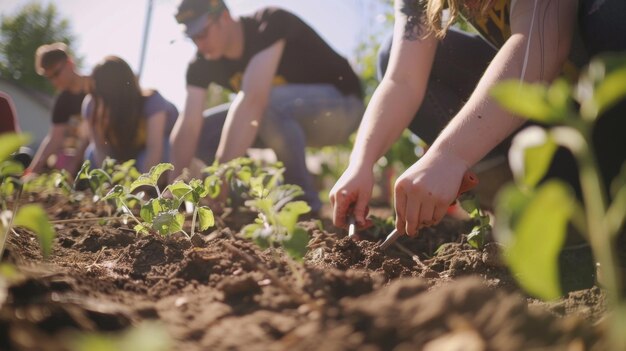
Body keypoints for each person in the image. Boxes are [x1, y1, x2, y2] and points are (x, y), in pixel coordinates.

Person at [330, 0, 626, 238]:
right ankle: (532, 210)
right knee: (395, 55)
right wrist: (361, 164)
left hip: (604, 120)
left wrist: (449, 155)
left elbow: (541, 44)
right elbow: (403, 81)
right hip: (553, 136)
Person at [171, 0, 364, 212]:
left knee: (265, 99)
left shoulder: (270, 23)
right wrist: (173, 193)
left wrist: (221, 172)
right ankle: (246, 199)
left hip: (342, 109)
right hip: (278, 118)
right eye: (191, 38)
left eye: (202, 33)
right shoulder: (201, 63)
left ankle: (301, 203)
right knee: (205, 131)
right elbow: (189, 125)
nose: (199, 44)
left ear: (224, 17)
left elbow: (254, 99)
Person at [82, 56, 178, 173]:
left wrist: (140, 187)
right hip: (127, 153)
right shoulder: (92, 106)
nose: (102, 104)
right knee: (91, 155)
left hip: (155, 151)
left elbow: (154, 149)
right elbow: (100, 148)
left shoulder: (152, 102)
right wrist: (113, 181)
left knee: (149, 159)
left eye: (107, 99)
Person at [28, 42, 90, 175]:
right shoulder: (62, 100)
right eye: (49, 77)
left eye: (56, 74)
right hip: (72, 160)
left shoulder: (93, 87)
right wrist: (33, 170)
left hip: (95, 155)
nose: (54, 82)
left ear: (69, 63)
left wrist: (74, 163)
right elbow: (55, 137)